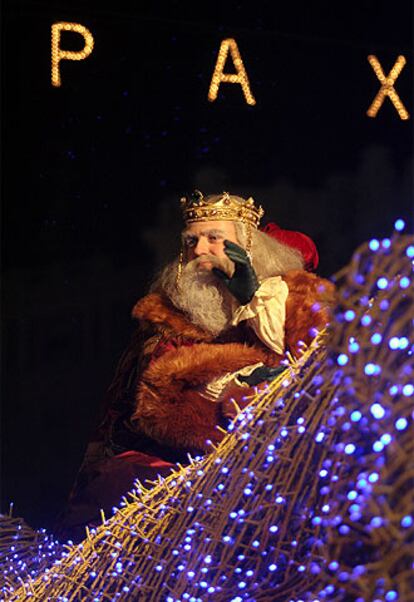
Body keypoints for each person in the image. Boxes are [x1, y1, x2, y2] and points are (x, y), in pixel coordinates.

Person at [56, 191, 335, 541]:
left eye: (215, 238)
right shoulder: (167, 319)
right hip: (188, 472)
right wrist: (235, 394)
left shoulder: (290, 295)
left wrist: (252, 297)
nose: (200, 249)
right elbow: (158, 404)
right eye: (192, 240)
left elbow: (322, 354)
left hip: (290, 465)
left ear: (248, 244)